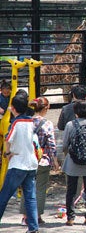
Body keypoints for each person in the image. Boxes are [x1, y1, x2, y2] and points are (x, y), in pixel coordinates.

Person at [0, 92, 40, 233]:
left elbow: (8, 140)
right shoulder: (31, 121)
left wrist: (7, 153)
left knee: (4, 196)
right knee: (30, 197)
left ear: (14, 108)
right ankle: (33, 227)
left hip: (18, 163)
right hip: (31, 163)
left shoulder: (16, 122)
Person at [19, 97, 59, 226]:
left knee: (27, 188)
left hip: (27, 160)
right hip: (43, 161)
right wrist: (55, 161)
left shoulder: (26, 121)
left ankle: (25, 216)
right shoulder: (47, 124)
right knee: (40, 189)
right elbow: (52, 145)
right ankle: (37, 216)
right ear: (46, 108)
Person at [62, 100, 86, 226]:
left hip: (72, 162)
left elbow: (64, 144)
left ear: (76, 112)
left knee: (71, 190)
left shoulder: (70, 125)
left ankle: (70, 218)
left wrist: (69, 154)